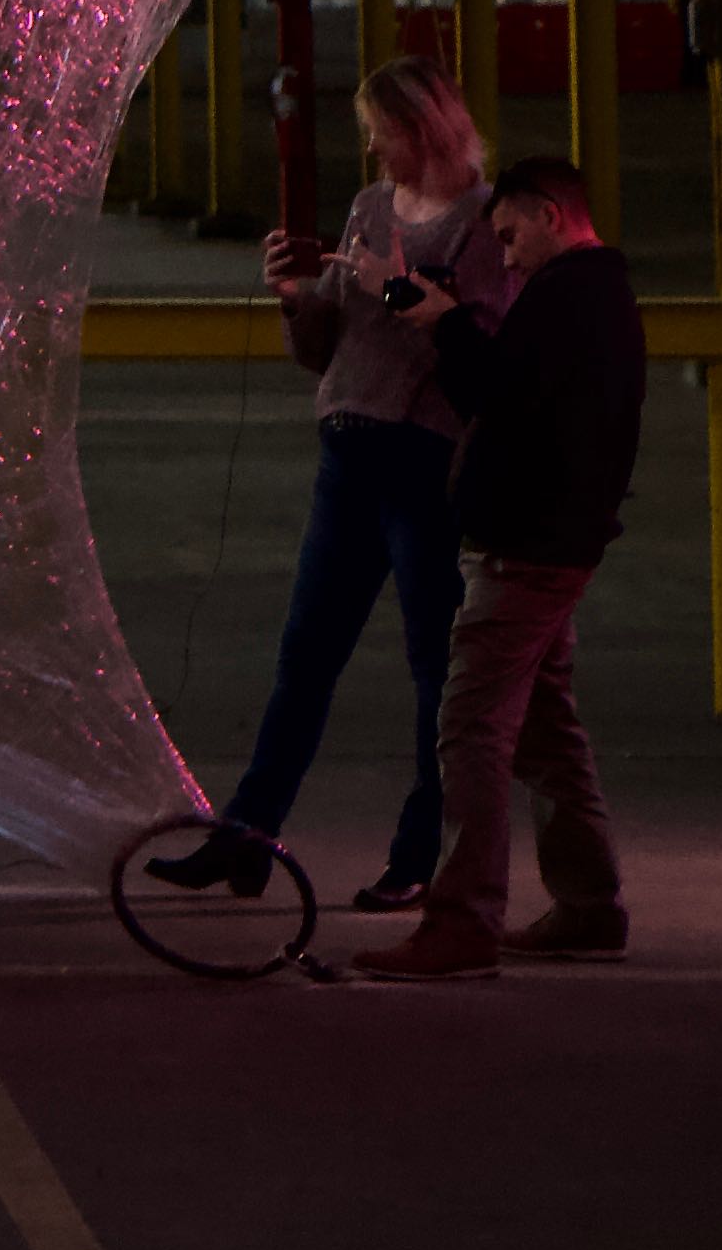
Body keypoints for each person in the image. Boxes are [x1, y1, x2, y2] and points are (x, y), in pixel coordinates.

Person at [147, 56, 501, 911]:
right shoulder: (370, 208)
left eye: (384, 133)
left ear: (425, 128)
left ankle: (420, 857)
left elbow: (480, 355)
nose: (374, 150)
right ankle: (246, 838)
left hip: (422, 461)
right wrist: (297, 297)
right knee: (304, 659)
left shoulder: (482, 224)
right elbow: (327, 345)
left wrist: (403, 289)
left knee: (432, 670)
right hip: (347, 452)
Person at [355, 151, 646, 981]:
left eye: (512, 235)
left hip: (526, 551)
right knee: (546, 728)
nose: (505, 255)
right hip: (556, 546)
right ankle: (589, 907)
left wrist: (438, 319)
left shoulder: (566, 301)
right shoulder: (597, 298)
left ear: (550, 215)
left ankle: (462, 922)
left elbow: (494, 393)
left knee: (471, 727)